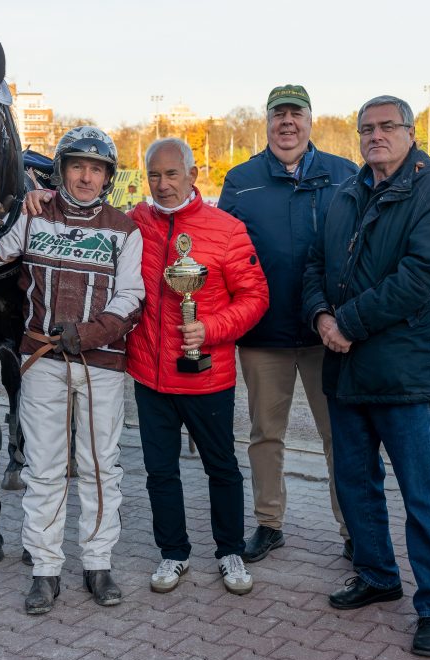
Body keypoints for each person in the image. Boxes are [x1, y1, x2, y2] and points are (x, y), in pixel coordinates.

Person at [301, 95, 430, 657]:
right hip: (345, 369)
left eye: (386, 126)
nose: (375, 135)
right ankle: (376, 574)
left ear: (410, 132)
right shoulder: (347, 193)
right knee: (355, 481)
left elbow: (420, 278)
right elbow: (316, 263)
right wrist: (321, 315)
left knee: (420, 492)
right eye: (366, 128)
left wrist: (345, 321)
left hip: (403, 373)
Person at [0, 126, 144, 615]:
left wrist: (89, 334)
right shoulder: (34, 218)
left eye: (96, 169)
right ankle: (45, 570)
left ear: (108, 175)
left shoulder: (124, 229)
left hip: (101, 365)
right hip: (42, 361)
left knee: (99, 468)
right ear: (62, 170)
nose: (86, 177)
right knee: (44, 470)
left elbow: (132, 298)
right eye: (77, 166)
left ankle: (97, 563)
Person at [218, 85, 359, 564]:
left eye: (295, 114)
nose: (287, 123)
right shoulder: (241, 180)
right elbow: (223, 254)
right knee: (265, 434)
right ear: (267, 122)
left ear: (310, 120)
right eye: (278, 114)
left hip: (330, 335)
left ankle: (353, 529)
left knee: (339, 437)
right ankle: (269, 523)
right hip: (264, 336)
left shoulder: (344, 174)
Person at [127, 139, 268, 595]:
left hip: (207, 374)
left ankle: (230, 550)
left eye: (172, 174)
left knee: (221, 466)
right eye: (154, 175)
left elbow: (255, 297)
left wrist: (209, 328)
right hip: (150, 375)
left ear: (192, 175)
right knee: (159, 471)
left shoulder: (226, 229)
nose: (163, 184)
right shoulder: (134, 224)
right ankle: (173, 553)